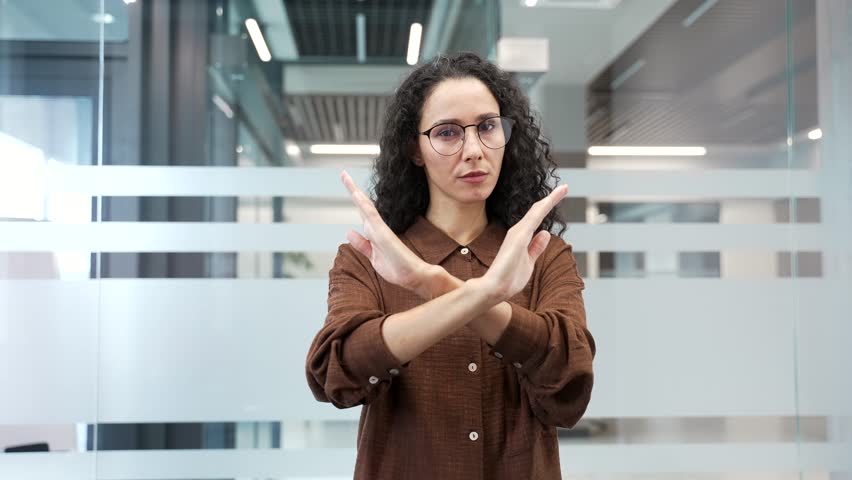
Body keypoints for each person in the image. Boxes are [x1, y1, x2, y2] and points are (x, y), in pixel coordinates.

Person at [305, 52, 595, 479]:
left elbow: (569, 378)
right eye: (447, 133)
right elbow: (337, 372)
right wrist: (484, 293)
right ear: (414, 149)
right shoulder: (370, 259)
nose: (474, 150)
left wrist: (430, 285)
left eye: (487, 126)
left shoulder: (542, 255)